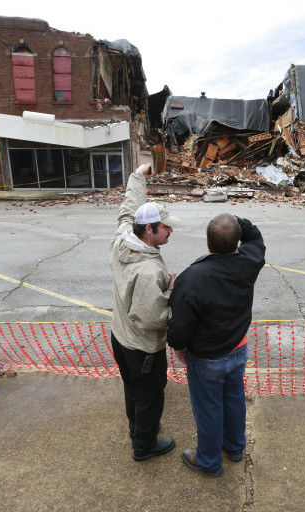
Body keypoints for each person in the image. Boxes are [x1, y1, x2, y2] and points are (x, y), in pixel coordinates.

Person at [167, 214, 266, 476]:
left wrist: (178, 346)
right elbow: (255, 236)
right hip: (238, 348)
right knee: (234, 399)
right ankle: (234, 447)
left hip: (207, 357)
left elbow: (179, 326)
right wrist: (235, 221)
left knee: (209, 408)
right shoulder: (248, 263)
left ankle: (209, 461)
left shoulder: (192, 278)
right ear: (236, 241)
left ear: (208, 243)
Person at [109, 163, 181, 461]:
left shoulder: (123, 238)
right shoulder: (150, 272)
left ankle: (137, 429)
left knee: (133, 389)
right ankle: (144, 446)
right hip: (142, 348)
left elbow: (128, 209)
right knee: (149, 395)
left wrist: (138, 177)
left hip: (120, 336)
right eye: (165, 227)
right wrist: (172, 294)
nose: (170, 230)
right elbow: (153, 319)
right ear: (149, 229)